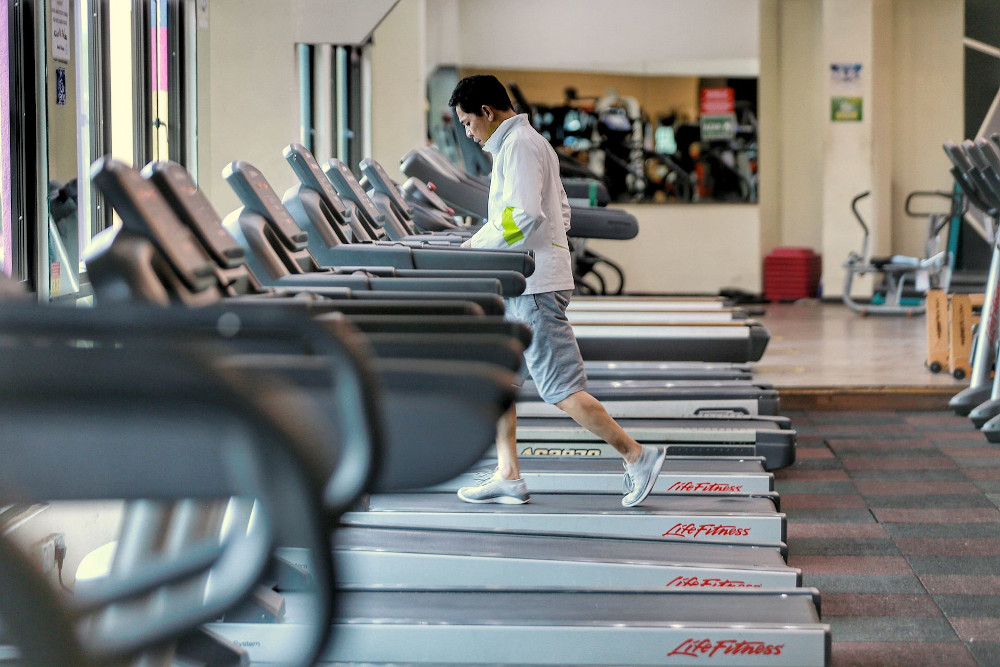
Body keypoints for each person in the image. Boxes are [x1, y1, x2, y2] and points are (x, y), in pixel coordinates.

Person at [449, 74, 665, 508]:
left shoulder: (521, 146)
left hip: (532, 287)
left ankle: (637, 456)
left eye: (468, 123)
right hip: (523, 279)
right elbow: (559, 210)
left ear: (487, 112)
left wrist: (479, 244)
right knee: (501, 382)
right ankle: (509, 473)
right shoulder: (526, 142)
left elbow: (525, 215)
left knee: (562, 388)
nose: (469, 133)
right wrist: (544, 248)